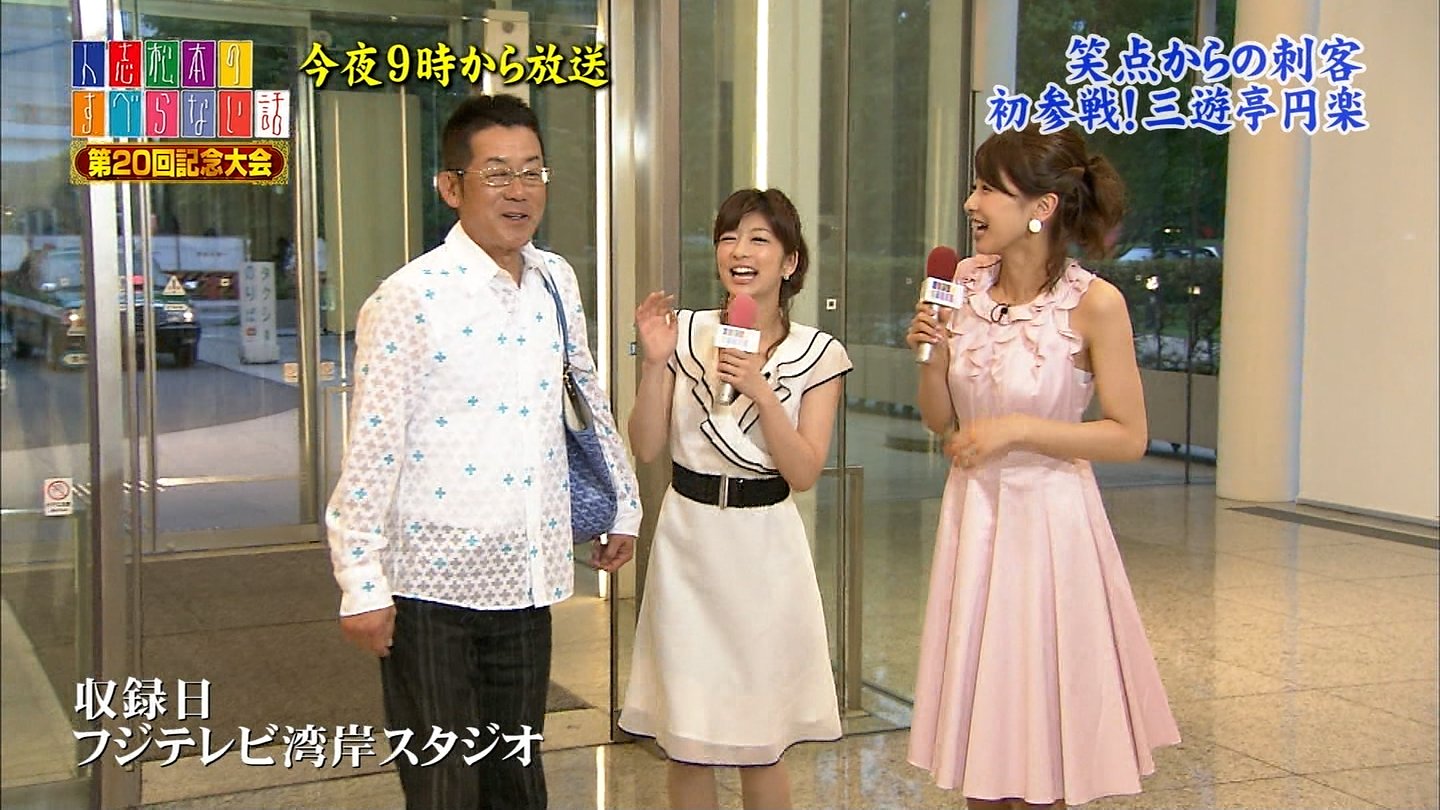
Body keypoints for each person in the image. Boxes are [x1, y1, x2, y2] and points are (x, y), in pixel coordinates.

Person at [325, 93, 641, 810]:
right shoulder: (409, 298)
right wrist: (361, 580)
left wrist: (622, 502)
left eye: (532, 171)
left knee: (517, 784)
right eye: (497, 173)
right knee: (444, 788)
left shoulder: (554, 279)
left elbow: (584, 393)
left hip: (525, 577)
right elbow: (372, 446)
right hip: (429, 588)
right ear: (451, 186)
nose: (518, 190)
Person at [905, 125, 1180, 809]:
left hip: (1052, 529)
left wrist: (1020, 429)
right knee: (984, 740)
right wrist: (932, 358)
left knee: (1046, 744)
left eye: (988, 190)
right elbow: (940, 420)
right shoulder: (959, 282)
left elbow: (1129, 436)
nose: (971, 204)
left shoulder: (1095, 303)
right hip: (975, 517)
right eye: (974, 187)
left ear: (1042, 207)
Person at [619, 188, 850, 810]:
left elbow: (804, 470)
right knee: (688, 738)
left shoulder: (819, 353)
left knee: (759, 740)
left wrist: (762, 392)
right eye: (728, 239)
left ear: (790, 261)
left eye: (758, 240)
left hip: (765, 547)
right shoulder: (685, 333)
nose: (739, 252)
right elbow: (645, 446)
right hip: (688, 542)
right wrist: (654, 364)